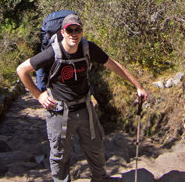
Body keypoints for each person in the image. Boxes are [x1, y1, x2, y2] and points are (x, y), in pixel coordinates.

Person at [16, 13, 148, 182]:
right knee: (60, 155)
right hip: (59, 110)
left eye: (77, 29)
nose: (73, 33)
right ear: (62, 32)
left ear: (82, 31)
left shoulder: (88, 48)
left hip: (85, 108)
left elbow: (114, 65)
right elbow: (21, 70)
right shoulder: (52, 53)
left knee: (96, 147)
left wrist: (138, 86)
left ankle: (100, 179)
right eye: (69, 30)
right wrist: (39, 95)